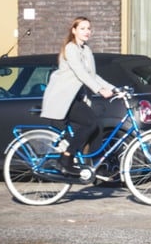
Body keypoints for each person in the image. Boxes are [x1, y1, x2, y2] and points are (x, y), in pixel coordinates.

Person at [40, 16, 117, 177]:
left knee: (98, 126)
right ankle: (65, 159)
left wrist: (115, 89)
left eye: (88, 28)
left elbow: (93, 75)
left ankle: (95, 166)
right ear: (74, 31)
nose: (87, 32)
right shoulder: (70, 48)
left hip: (75, 98)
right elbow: (81, 74)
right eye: (82, 28)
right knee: (90, 124)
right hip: (63, 98)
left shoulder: (86, 50)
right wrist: (100, 90)